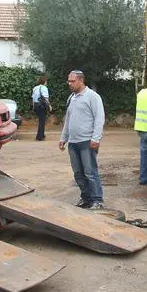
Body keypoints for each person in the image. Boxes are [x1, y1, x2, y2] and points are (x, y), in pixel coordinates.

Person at [59, 70, 106, 210]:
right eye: (68, 81)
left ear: (81, 80)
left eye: (72, 81)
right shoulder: (71, 98)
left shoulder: (92, 97)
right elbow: (68, 120)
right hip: (73, 143)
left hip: (87, 142)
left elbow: (99, 118)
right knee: (78, 173)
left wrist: (96, 138)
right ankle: (86, 198)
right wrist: (63, 138)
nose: (69, 84)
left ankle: (97, 200)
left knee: (90, 172)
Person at [32, 75, 52, 141]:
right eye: (46, 81)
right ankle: (39, 136)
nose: (47, 83)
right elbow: (46, 98)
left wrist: (33, 107)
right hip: (42, 106)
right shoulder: (44, 88)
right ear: (44, 81)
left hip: (36, 105)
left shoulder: (35, 88)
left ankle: (41, 135)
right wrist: (49, 105)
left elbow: (33, 98)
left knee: (41, 120)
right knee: (42, 121)